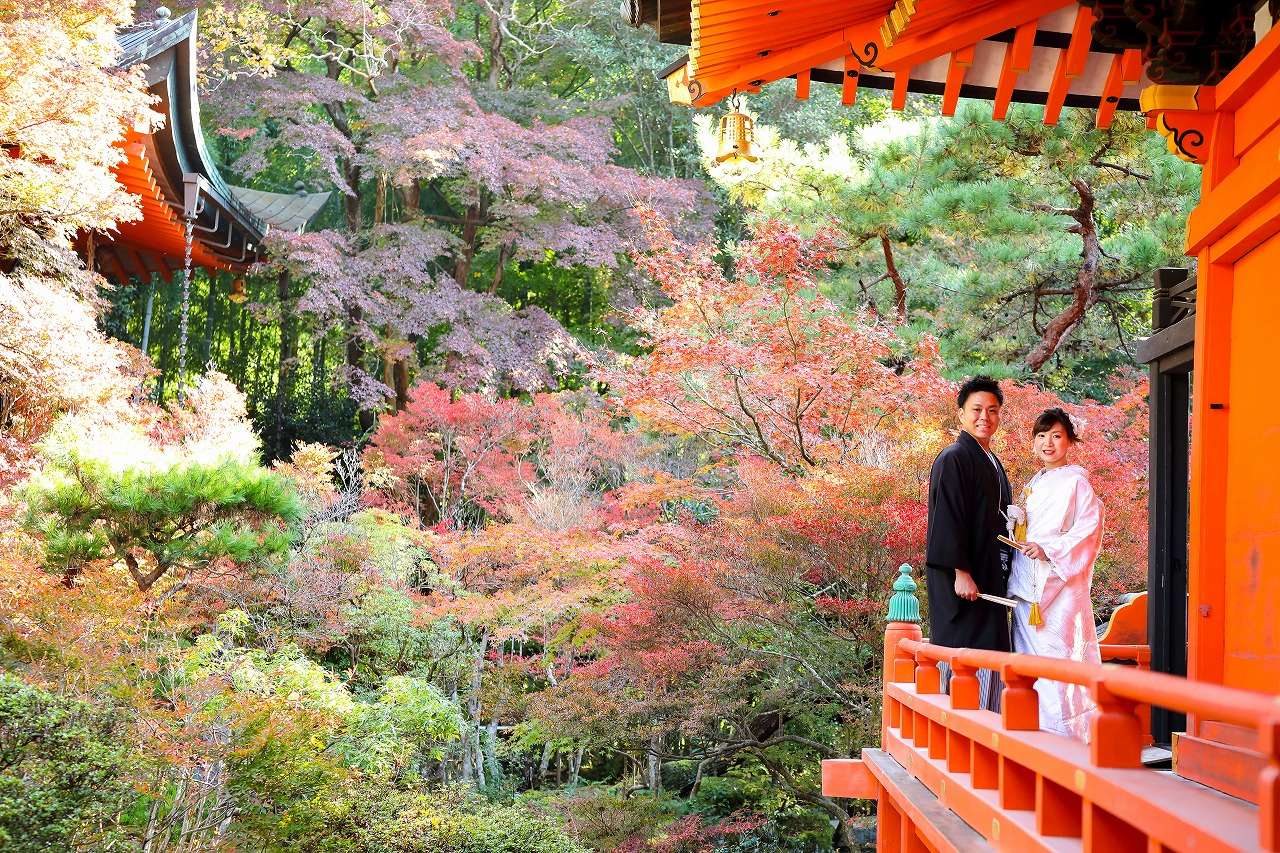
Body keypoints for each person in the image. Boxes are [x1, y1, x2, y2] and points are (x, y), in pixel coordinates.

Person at [1007, 408, 1103, 741]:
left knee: (1060, 660)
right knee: (1030, 662)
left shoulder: (1076, 483)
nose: (1048, 443)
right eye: (1042, 435)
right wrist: (1017, 523)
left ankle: (1066, 737)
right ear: (1033, 441)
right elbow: (1026, 536)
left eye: (1057, 435)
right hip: (1029, 586)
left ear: (1069, 441)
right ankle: (1034, 735)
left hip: (1059, 588)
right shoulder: (1034, 482)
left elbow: (1088, 532)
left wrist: (1050, 550)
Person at [925, 376, 1013, 711]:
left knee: (991, 655)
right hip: (964, 582)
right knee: (965, 657)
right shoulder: (955, 457)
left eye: (992, 410)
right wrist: (960, 570)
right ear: (961, 413)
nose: (984, 417)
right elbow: (948, 518)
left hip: (990, 576)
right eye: (976, 409)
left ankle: (986, 731)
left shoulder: (991, 460)